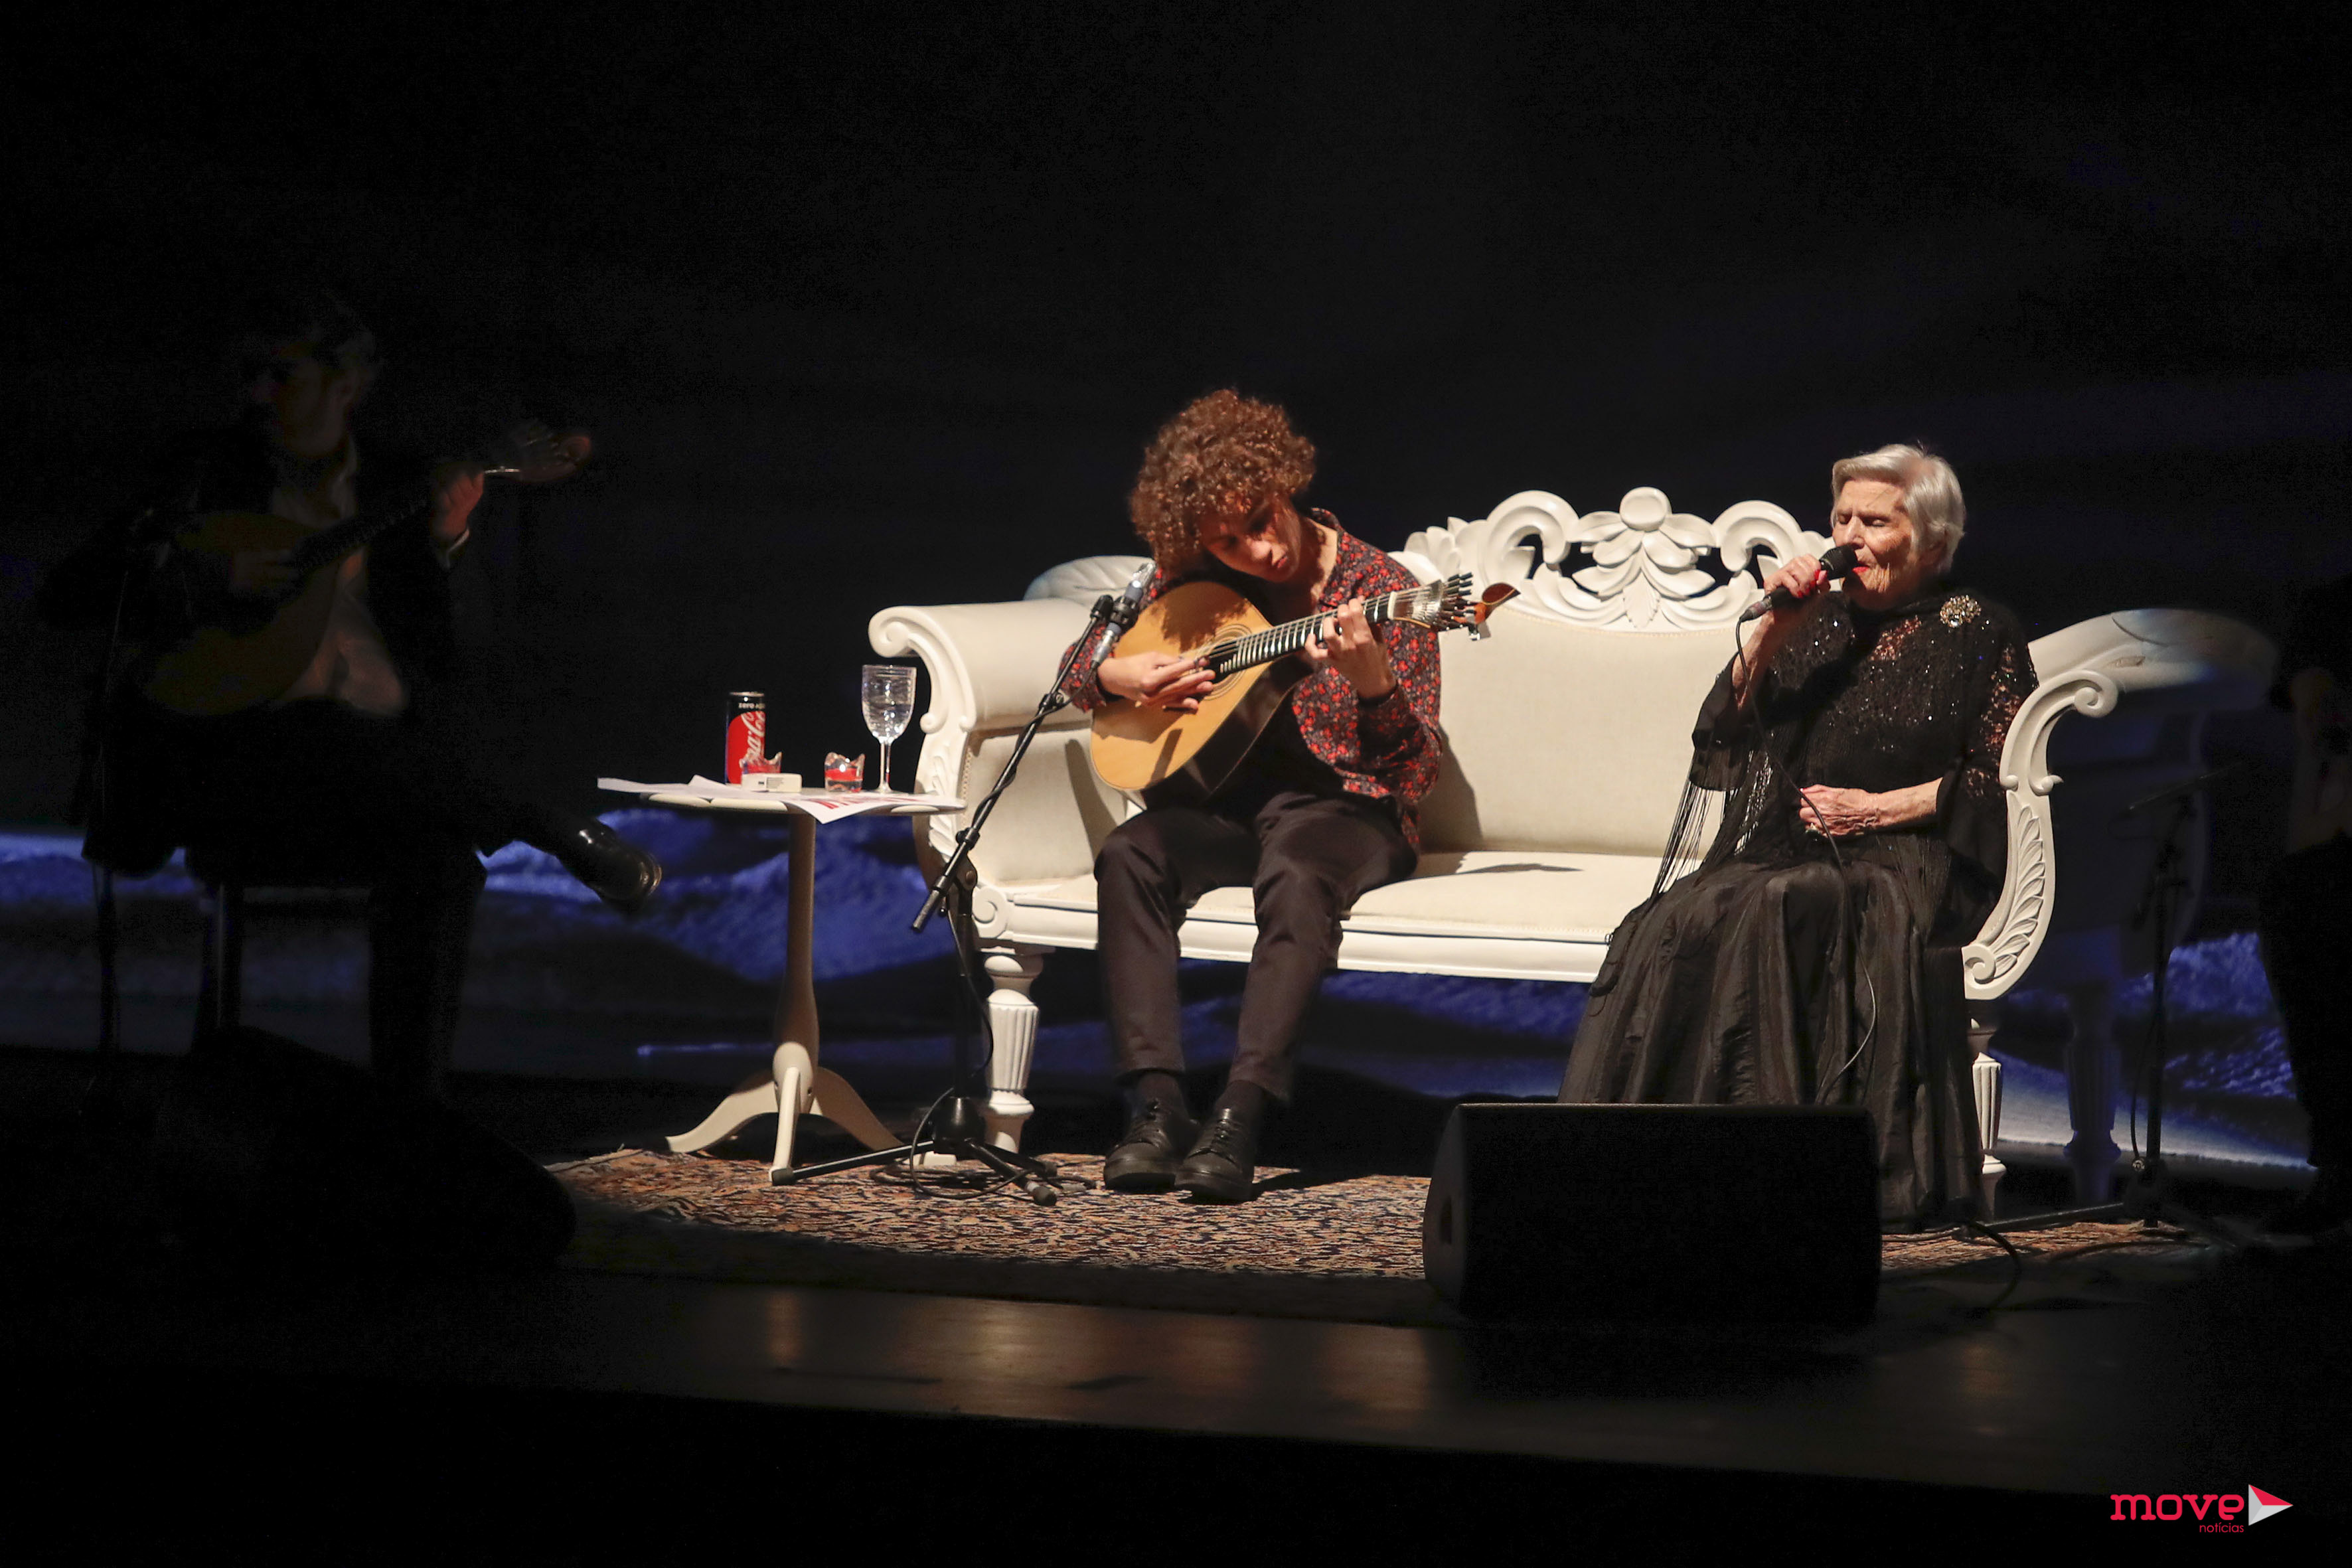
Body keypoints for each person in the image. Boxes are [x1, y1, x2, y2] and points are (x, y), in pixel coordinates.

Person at [38, 286, 661, 1096]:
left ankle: (410, 1115)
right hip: (236, 770)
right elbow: (67, 596)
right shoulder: (200, 473)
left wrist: (447, 541)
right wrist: (196, 575)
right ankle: (541, 820)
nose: (257, 391)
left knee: (441, 863)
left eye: (281, 373)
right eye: (248, 372)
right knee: (322, 729)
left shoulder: (401, 483)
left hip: (382, 783)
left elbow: (461, 653)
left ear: (348, 385)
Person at [1559, 445, 2035, 1227]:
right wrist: (1772, 634)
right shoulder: (1816, 625)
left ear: (1932, 541)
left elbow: (1993, 781)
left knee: (1782, 903)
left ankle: (1779, 1176)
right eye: (1842, 518)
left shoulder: (1978, 630)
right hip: (1797, 845)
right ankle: (1656, 1164)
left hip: (1908, 855)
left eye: (1874, 522)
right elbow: (1719, 745)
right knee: (1679, 916)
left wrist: (1871, 811)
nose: (1849, 537)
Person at [1056, 390, 1443, 1202]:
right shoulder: (1194, 582)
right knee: (1130, 853)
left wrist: (1374, 684)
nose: (1256, 552)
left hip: (1348, 809)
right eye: (1227, 542)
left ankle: (1240, 1113)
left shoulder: (1382, 585)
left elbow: (1413, 773)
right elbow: (1076, 667)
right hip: (1227, 805)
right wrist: (1119, 675)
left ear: (1283, 484)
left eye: (1261, 522)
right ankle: (1155, 1107)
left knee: (1297, 873)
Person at [2255, 569, 2352, 1236]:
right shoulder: (2330, 609)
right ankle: (2338, 1178)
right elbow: (2318, 734)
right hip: (2326, 856)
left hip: (2323, 854)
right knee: (2322, 1024)